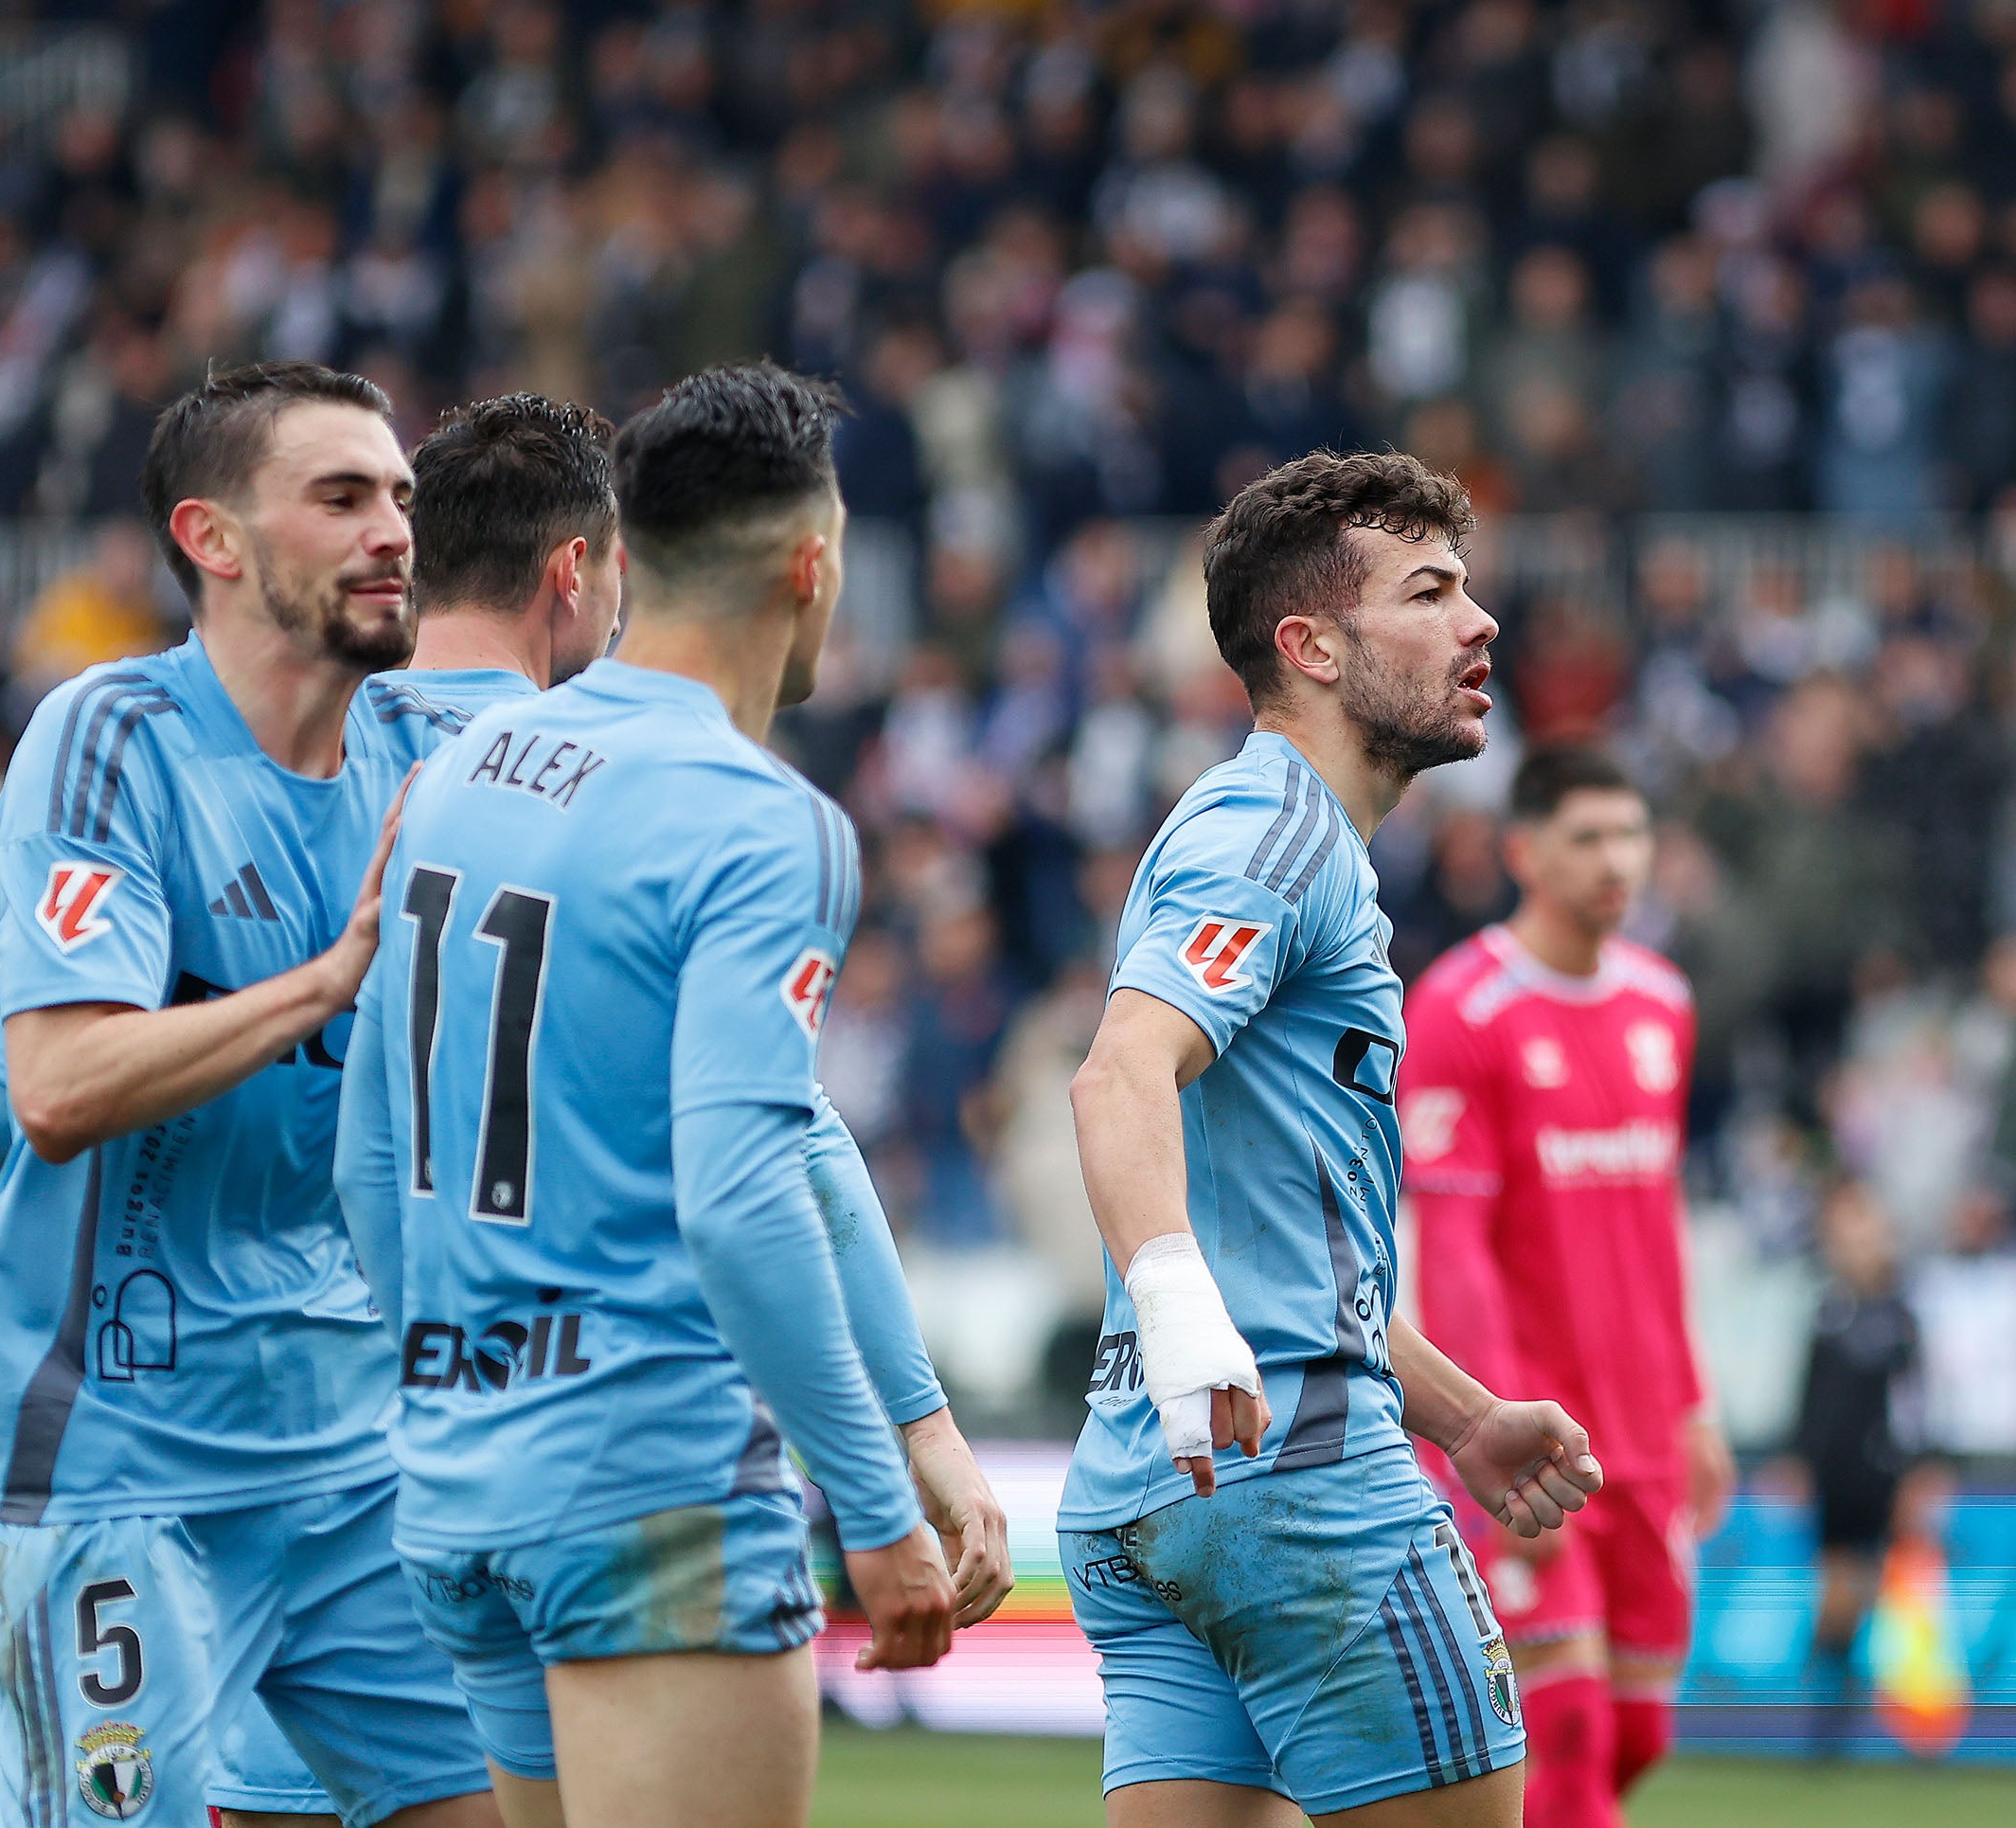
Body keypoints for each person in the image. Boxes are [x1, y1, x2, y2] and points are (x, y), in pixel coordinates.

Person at [333, 363, 956, 1828]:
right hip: (648, 1481)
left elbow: (374, 1147)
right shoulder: (760, 820)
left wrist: (444, 1371)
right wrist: (874, 1510)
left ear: (622, 560)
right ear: (813, 568)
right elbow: (746, 1192)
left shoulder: (467, 765)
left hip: (455, 1480)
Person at [0, 360, 494, 1827]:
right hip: (122, 1461)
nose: (395, 527)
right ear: (213, 538)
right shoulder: (113, 738)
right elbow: (58, 1084)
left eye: (401, 494)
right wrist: (331, 980)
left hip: (348, 1456)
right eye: (342, 497)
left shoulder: (431, 759)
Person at [1061, 450, 1607, 1828]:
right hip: (1294, 1485)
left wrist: (1469, 1419)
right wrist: (1183, 1308)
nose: (1481, 622)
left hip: (1152, 1478)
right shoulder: (1270, 827)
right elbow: (1118, 1073)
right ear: (1307, 646)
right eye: (1429, 592)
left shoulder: (1278, 837)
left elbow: (1279, 1239)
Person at [1398, 744, 1730, 1828]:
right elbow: (1453, 1254)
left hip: (1647, 1428)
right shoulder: (1460, 1011)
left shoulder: (1663, 1006)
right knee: (1571, 1723)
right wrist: (1488, 1429)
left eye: (1629, 834)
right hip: (1539, 1428)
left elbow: (1658, 1232)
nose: (1615, 861)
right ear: (1521, 853)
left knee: (1636, 1734)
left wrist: (1695, 1407)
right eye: (1586, 837)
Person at [1790, 1180, 1919, 1665]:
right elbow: (1810, 1398)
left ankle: (1843, 1690)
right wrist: (1800, 1459)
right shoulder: (1828, 1313)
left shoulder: (1900, 1318)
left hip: (1879, 1473)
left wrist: (1915, 1470)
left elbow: (1913, 1404)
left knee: (1871, 1591)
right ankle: (1827, 1689)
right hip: (1835, 1476)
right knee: (1836, 1590)